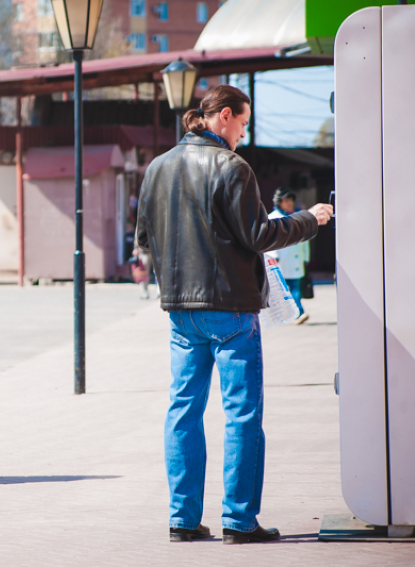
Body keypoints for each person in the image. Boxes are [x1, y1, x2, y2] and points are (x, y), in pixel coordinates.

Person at [135, 85, 333, 544]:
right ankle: (239, 521)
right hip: (231, 310)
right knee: (241, 414)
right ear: (224, 116)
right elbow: (259, 234)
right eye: (243, 124)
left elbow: (145, 240)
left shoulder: (157, 168)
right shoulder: (232, 167)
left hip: (181, 312)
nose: (243, 134)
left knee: (182, 411)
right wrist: (310, 219)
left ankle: (183, 519)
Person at [268, 189, 311, 325]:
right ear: (279, 202)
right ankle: (294, 313)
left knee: (295, 288)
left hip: (295, 260)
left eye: (291, 200)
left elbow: (304, 239)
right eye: (286, 201)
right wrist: (273, 256)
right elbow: (269, 239)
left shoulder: (296, 217)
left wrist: (305, 256)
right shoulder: (273, 218)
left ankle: (299, 312)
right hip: (280, 259)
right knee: (282, 290)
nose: (290, 203)